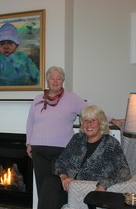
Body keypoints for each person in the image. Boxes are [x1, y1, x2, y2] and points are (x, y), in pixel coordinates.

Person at [26, 66, 123, 199]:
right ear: (47, 81)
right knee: (42, 185)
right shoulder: (38, 99)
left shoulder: (72, 98)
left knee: (60, 187)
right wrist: (29, 143)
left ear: (63, 81)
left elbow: (92, 114)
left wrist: (114, 120)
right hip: (39, 150)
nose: (55, 81)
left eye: (58, 78)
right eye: (52, 78)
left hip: (63, 152)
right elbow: (30, 122)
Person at [36, 105, 131, 209]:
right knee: (50, 181)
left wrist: (103, 185)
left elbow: (125, 172)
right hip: (68, 187)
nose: (88, 124)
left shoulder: (111, 143)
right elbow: (60, 162)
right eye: (85, 120)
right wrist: (64, 176)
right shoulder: (77, 138)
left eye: (93, 120)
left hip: (87, 190)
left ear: (101, 123)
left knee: (52, 198)